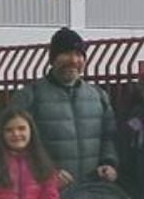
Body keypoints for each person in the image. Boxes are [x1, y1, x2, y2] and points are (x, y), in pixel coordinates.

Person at [14, 28, 117, 187]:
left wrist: (109, 163)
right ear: (52, 58)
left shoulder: (99, 96)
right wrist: (46, 173)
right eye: (67, 53)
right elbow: (14, 146)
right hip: (46, 195)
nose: (74, 60)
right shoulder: (29, 96)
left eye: (79, 54)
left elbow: (109, 137)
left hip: (93, 191)